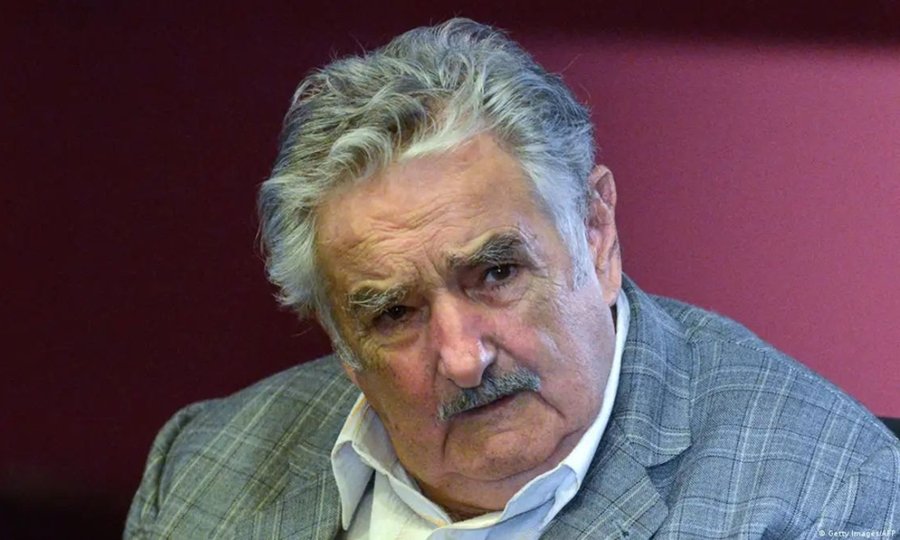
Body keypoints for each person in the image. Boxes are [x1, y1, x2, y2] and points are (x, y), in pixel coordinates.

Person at [126, 18, 900, 539]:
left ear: (595, 234)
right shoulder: (202, 468)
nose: (465, 358)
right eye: (393, 314)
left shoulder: (821, 496)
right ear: (340, 341)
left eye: (495, 273)